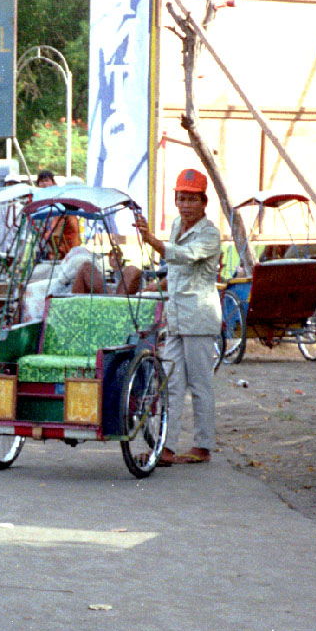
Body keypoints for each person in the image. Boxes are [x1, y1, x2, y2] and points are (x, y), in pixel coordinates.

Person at [133, 168, 221, 466]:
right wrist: (155, 286)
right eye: (181, 198)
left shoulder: (209, 233)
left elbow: (184, 256)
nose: (185, 205)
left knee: (199, 385)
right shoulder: (175, 227)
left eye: (191, 199)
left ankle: (203, 446)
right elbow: (176, 270)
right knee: (170, 383)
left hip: (199, 317)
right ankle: (166, 447)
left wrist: (151, 241)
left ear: (203, 202)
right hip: (177, 318)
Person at [36, 169, 81, 259]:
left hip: (67, 253)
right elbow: (52, 234)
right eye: (41, 181)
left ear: (53, 182)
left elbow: (53, 234)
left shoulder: (63, 209)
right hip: (51, 251)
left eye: (47, 180)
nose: (44, 184)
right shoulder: (36, 202)